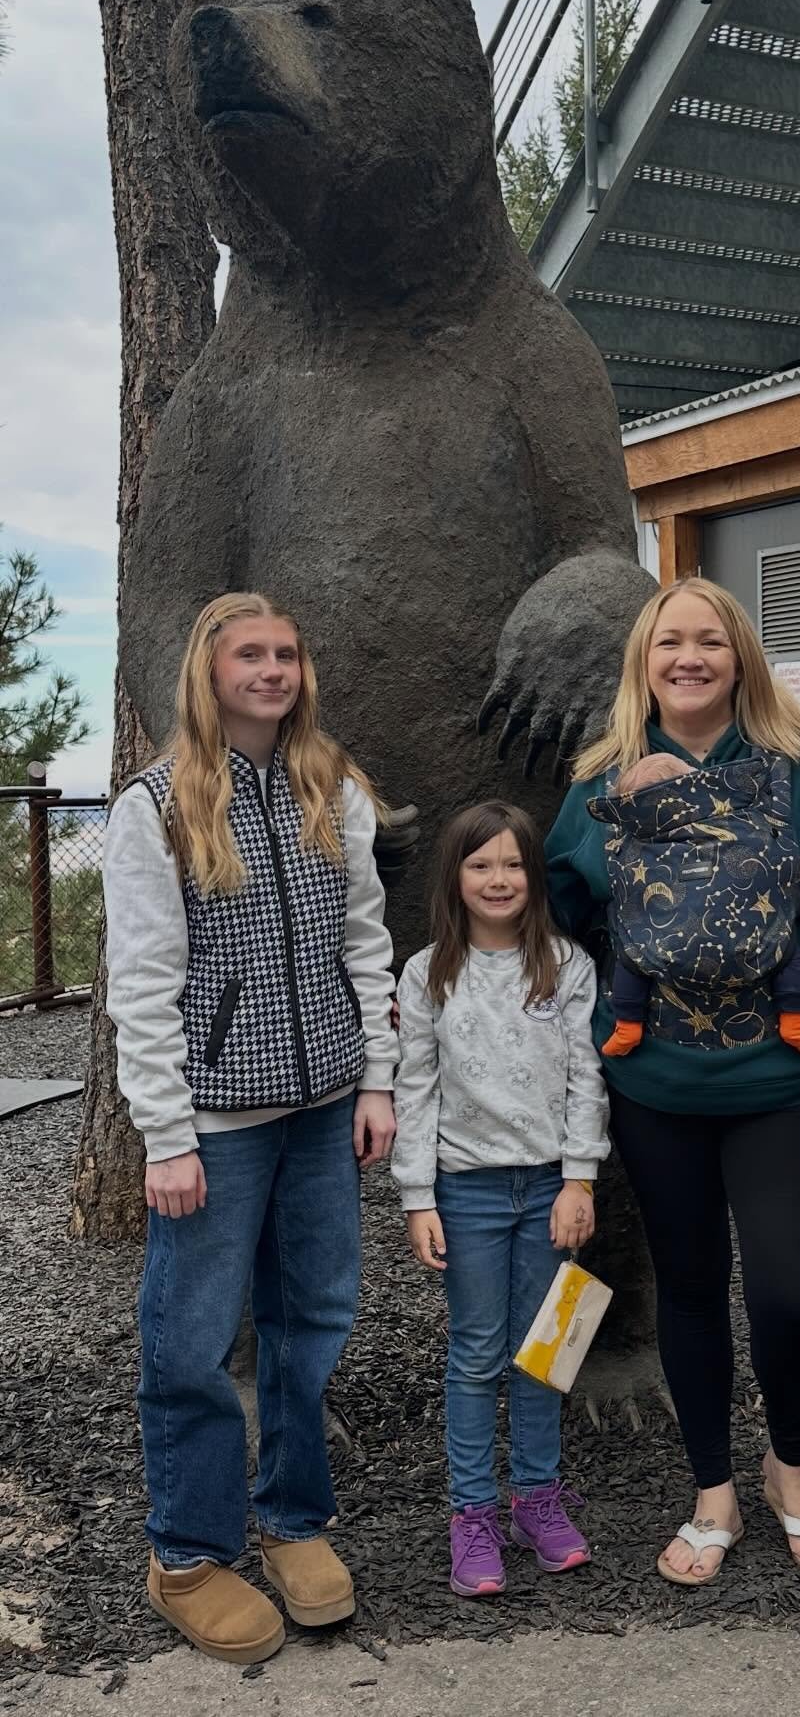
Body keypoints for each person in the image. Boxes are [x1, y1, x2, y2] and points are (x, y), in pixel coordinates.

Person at [102, 592, 399, 1667]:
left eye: (286, 654)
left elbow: (365, 944)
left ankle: (292, 1517)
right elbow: (141, 983)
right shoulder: (157, 807)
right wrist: (167, 1135)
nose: (273, 670)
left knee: (310, 1320)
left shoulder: (333, 788)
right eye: (251, 656)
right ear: (210, 672)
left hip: (323, 1112)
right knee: (189, 1340)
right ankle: (186, 1552)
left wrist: (376, 1082)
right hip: (216, 1124)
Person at [545, 577, 800, 1585]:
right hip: (658, 1078)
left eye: (710, 641)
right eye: (669, 641)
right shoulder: (603, 777)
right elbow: (562, 902)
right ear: (643, 662)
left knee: (792, 1291)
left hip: (781, 1071)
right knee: (687, 1284)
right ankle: (713, 1486)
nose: (689, 658)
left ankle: (789, 1467)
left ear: (740, 657)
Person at [391, 801, 608, 1598]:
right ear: (455, 877)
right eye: (481, 864)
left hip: (549, 1186)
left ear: (533, 876)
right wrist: (418, 1196)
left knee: (546, 1350)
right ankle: (473, 1513)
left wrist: (579, 1178)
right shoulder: (428, 974)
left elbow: (587, 1077)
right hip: (467, 1190)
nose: (498, 879)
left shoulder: (565, 965)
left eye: (513, 864)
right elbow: (414, 1089)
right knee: (478, 1352)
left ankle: (537, 1500)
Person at [596, 748, 800, 1059]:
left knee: (629, 957)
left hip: (659, 953)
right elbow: (779, 860)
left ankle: (627, 1024)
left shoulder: (634, 849)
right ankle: (795, 1021)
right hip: (752, 945)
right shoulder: (738, 825)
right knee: (787, 954)